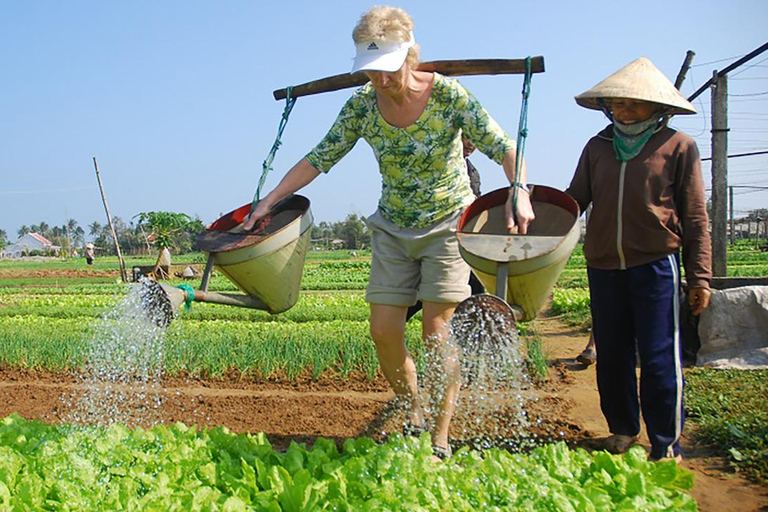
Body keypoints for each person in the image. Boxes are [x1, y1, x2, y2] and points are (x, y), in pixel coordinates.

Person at [243, 5, 534, 460]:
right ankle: (413, 408)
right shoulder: (362, 105)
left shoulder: (449, 96)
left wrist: (518, 190)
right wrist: (271, 199)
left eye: (386, 69)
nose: (379, 80)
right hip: (393, 226)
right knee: (383, 332)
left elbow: (504, 146)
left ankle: (439, 436)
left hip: (444, 225)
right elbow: (319, 158)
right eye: (371, 71)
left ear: (409, 55)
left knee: (438, 334)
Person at [566, 57, 712, 463]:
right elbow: (576, 199)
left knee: (659, 354)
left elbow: (696, 214)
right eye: (617, 103)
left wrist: (700, 276)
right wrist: (535, 215)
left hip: (655, 265)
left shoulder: (678, 146)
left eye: (634, 103)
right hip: (603, 265)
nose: (624, 110)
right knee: (611, 353)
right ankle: (623, 430)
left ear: (658, 107)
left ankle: (666, 441)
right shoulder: (598, 147)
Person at [405, 134, 484, 322]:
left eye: (476, 140)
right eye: (467, 138)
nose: (471, 144)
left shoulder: (472, 171)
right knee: (425, 291)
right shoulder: (437, 166)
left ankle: (472, 336)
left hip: (460, 242)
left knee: (472, 291)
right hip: (436, 239)